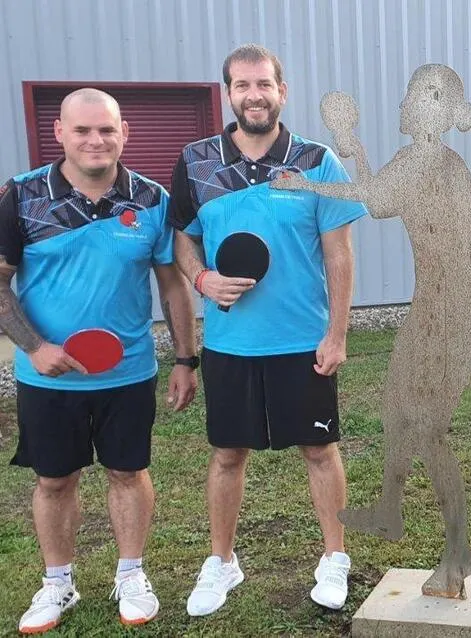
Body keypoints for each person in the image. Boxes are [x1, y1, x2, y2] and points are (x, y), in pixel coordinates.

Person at [271, 64, 471, 599]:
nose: (410, 102)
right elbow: (379, 200)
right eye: (411, 93)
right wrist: (353, 146)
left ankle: (458, 551)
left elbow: (372, 194)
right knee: (396, 408)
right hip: (434, 301)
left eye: (422, 95)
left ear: (444, 110)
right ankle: (390, 509)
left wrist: (307, 182)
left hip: (455, 307)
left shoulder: (434, 160)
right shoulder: (421, 158)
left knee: (429, 428)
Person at [168, 44, 367, 616]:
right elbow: (183, 237)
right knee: (227, 454)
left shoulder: (316, 161)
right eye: (242, 85)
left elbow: (339, 253)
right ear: (228, 93)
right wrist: (201, 279)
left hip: (301, 342)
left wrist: (337, 334)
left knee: (319, 449)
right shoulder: (196, 161)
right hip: (230, 343)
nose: (254, 96)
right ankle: (222, 562)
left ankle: (334, 557)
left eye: (264, 85)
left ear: (282, 91)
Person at [0, 88, 199, 633]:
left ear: (124, 133)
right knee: (53, 481)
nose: (95, 140)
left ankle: (131, 575)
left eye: (106, 129)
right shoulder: (20, 196)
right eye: (82, 130)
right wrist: (34, 347)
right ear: (59, 133)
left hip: (128, 373)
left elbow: (173, 286)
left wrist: (186, 359)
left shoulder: (152, 198)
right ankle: (57, 583)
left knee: (128, 472)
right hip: (48, 378)